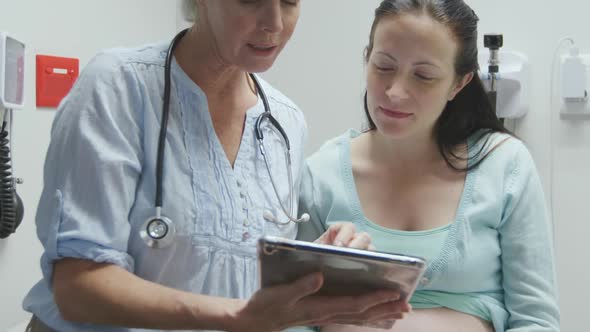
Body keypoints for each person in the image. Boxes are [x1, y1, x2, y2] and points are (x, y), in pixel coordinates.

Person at [22, 1, 410, 331]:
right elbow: (77, 287)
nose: (274, 23)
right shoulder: (118, 87)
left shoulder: (285, 122)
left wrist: (317, 267)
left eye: (290, 1)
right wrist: (236, 318)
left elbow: (237, 261)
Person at [297, 0, 560, 331]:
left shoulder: (505, 165)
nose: (395, 91)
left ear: (458, 84)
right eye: (383, 66)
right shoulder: (321, 175)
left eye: (423, 76)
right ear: (367, 58)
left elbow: (536, 321)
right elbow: (292, 317)